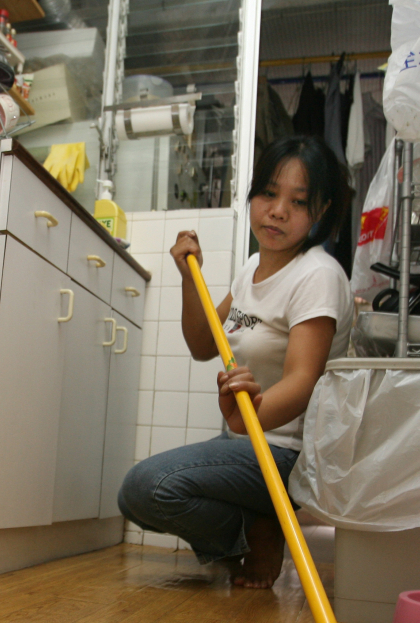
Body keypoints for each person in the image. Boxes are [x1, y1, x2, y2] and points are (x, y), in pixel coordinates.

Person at [118, 136, 354, 588]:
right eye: (268, 193)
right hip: (246, 438)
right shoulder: (252, 268)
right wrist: (191, 277)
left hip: (288, 454)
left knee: (145, 487)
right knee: (139, 497)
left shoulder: (318, 276)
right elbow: (203, 343)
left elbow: (303, 381)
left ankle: (255, 526)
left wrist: (248, 421)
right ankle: (253, 527)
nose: (278, 210)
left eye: (298, 201)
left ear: (320, 212)